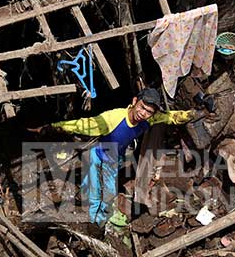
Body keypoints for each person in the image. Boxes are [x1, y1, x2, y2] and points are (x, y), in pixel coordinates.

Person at [39, 88, 198, 226]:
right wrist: (55, 127)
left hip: (116, 158)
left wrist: (194, 113)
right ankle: (96, 225)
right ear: (135, 101)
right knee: (105, 196)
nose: (143, 114)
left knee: (95, 187)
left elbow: (171, 117)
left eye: (149, 112)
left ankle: (82, 198)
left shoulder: (150, 119)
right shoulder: (113, 119)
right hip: (100, 158)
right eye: (142, 107)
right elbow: (84, 125)